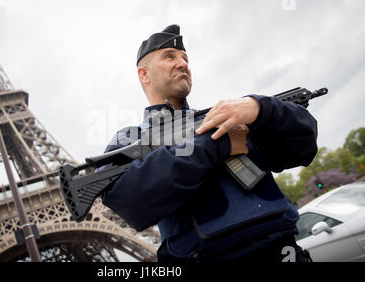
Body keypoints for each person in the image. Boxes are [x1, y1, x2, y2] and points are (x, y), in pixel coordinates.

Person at [100, 24, 317, 262]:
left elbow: (303, 146)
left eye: (185, 58)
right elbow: (129, 199)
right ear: (144, 74)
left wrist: (260, 107)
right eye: (169, 57)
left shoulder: (232, 115)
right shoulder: (130, 138)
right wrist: (216, 143)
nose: (183, 64)